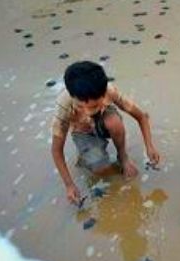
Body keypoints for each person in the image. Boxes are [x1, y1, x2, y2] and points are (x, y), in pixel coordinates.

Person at [51, 61, 160, 204]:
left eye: (94, 106)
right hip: (82, 131)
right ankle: (86, 156)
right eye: (80, 106)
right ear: (72, 96)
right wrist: (69, 185)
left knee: (114, 122)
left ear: (103, 94)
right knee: (101, 169)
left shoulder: (109, 91)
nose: (88, 112)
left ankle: (123, 157)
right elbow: (56, 150)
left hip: (104, 119)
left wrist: (149, 146)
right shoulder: (63, 105)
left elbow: (141, 116)